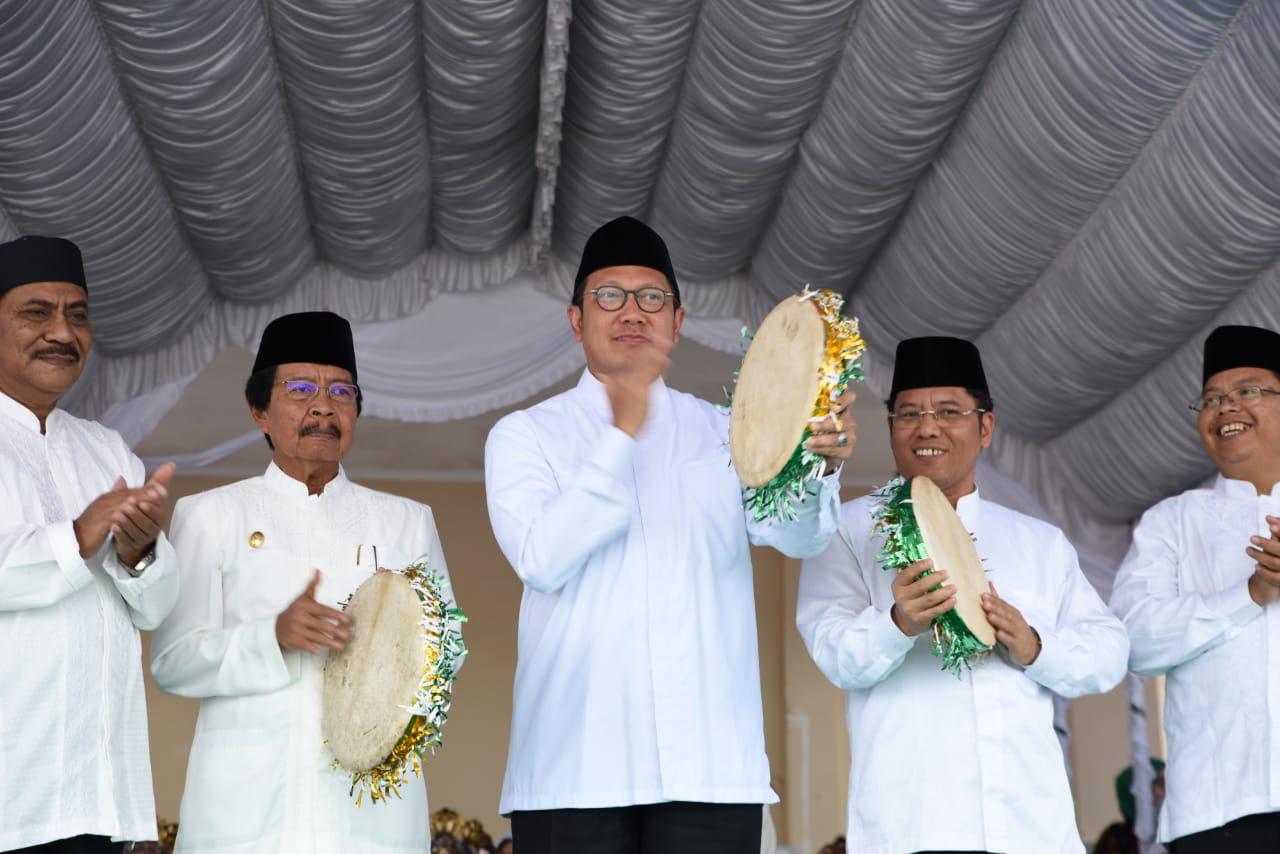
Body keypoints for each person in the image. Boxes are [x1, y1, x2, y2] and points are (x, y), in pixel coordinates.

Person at [484, 216, 854, 854]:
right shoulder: (525, 435)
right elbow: (541, 558)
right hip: (574, 771)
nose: (632, 311)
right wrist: (620, 434)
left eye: (651, 297)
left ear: (677, 322)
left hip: (709, 771)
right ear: (577, 320)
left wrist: (815, 466)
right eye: (610, 295)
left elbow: (798, 537)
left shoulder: (725, 431)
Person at [796, 335, 1128, 853]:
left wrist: (1035, 646)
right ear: (890, 429)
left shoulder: (1038, 542)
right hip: (911, 824)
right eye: (909, 413)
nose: (927, 427)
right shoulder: (848, 529)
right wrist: (897, 624)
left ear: (985, 426)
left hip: (1029, 827)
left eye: (948, 411)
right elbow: (833, 653)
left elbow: (1110, 653)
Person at [151, 311, 460, 853]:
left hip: (370, 813)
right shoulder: (210, 516)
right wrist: (273, 636)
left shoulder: (406, 520)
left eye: (342, 391)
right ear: (259, 411)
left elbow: (447, 657)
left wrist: (386, 651)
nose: (323, 405)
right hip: (247, 812)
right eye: (299, 388)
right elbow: (173, 662)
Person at [0, 235, 178, 853]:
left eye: (77, 314)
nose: (62, 331)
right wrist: (77, 537)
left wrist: (137, 554)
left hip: (100, 795)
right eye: (36, 312)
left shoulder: (107, 450)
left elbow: (155, 608)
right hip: (12, 797)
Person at [1110, 324, 1280, 852]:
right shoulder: (1170, 523)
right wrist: (1249, 594)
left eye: (1248, 391)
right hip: (1217, 809)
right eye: (1211, 399)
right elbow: (1133, 642)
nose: (1226, 408)